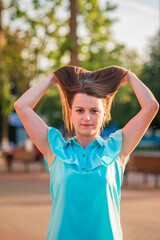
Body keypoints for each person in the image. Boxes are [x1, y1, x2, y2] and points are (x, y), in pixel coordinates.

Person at [14, 65, 159, 240]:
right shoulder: (54, 149)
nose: (87, 118)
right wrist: (55, 77)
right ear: (71, 113)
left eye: (94, 111)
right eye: (80, 110)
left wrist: (129, 76)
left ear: (104, 114)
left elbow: (151, 106)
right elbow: (21, 106)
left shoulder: (117, 149)